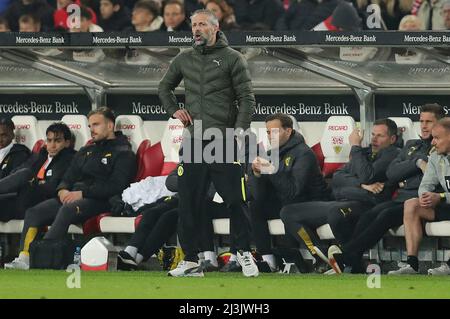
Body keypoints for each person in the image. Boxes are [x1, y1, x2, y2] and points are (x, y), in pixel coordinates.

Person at [158, 9, 257, 277]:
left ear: (215, 27)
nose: (196, 29)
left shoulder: (232, 58)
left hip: (223, 137)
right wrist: (174, 110)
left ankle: (244, 253)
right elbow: (163, 88)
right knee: (188, 201)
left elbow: (247, 98)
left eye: (202, 24)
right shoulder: (184, 58)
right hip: (194, 138)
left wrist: (238, 131)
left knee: (236, 200)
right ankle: (191, 260)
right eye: (193, 25)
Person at [4, 107, 136, 270]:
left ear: (110, 126)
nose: (91, 130)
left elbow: (117, 185)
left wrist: (82, 193)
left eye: (96, 125)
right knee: (34, 212)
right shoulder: (86, 150)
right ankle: (25, 258)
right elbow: (68, 176)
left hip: (101, 200)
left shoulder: (123, 152)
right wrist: (62, 190)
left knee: (68, 209)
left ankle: (44, 257)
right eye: (89, 126)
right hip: (73, 196)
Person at [327, 104, 444, 273]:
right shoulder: (412, 145)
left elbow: (430, 178)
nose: (424, 126)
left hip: (421, 201)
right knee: (370, 214)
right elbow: (392, 173)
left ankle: (346, 258)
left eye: (429, 121)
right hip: (401, 198)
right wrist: (417, 162)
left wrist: (408, 169)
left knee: (385, 215)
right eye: (421, 121)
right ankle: (350, 261)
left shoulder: (441, 146)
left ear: (440, 123)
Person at [281, 118, 400, 271]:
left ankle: (350, 263)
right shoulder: (364, 153)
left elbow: (367, 175)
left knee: (336, 213)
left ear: (392, 139)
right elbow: (338, 176)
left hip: (367, 204)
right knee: (288, 212)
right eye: (373, 134)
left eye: (380, 136)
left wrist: (356, 146)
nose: (374, 139)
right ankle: (322, 256)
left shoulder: (393, 154)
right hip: (342, 201)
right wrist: (362, 185)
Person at [247, 113, 330, 272]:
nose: (271, 135)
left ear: (288, 131)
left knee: (288, 208)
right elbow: (259, 195)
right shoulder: (271, 154)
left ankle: (318, 255)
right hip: (286, 202)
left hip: (312, 203)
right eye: (268, 132)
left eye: (275, 131)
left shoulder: (303, 153)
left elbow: (294, 191)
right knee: (255, 206)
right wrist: (256, 174)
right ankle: (268, 259)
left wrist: (271, 170)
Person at [117, 167, 232, 271]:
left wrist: (192, 183)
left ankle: (138, 258)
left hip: (207, 201)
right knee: (151, 213)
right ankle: (130, 252)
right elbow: (170, 181)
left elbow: (216, 185)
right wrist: (188, 183)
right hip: (184, 197)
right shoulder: (192, 156)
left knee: (168, 217)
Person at [388, 117, 450, 275]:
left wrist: (441, 196)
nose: (433, 143)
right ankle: (412, 265)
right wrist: (425, 196)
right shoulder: (436, 156)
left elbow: (441, 196)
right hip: (445, 203)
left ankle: (449, 266)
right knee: (412, 204)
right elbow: (426, 184)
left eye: (437, 138)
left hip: (444, 200)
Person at [0, 122, 76, 222]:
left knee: (26, 174)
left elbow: (53, 185)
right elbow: (15, 174)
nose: (52, 145)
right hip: (22, 197)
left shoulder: (69, 159)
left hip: (41, 201)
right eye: (49, 140)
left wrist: (34, 181)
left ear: (67, 143)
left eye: (57, 141)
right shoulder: (40, 155)